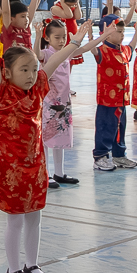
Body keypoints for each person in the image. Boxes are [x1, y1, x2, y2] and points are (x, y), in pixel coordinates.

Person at [0, 21, 92, 273]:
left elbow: (53, 61)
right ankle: (13, 270)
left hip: (36, 163)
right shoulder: (3, 90)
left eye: (33, 69)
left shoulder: (38, 87)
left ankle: (32, 265)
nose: (31, 74)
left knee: (35, 215)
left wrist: (75, 42)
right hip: (11, 166)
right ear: (8, 73)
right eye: (24, 70)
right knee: (15, 219)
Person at [39, 18, 101, 187]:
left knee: (59, 137)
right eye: (57, 37)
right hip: (49, 103)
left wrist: (104, 35)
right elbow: (36, 53)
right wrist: (37, 36)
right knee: (46, 138)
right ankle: (44, 173)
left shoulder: (66, 53)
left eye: (63, 37)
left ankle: (59, 173)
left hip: (63, 103)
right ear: (47, 38)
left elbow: (86, 47)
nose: (61, 41)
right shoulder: (46, 54)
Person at [92, 10, 137, 172]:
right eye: (118, 32)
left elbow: (132, 47)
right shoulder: (102, 51)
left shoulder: (124, 50)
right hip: (107, 101)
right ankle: (100, 156)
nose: (122, 35)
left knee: (120, 127)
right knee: (105, 127)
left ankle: (119, 155)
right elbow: (91, 49)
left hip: (121, 99)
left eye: (123, 31)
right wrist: (93, 36)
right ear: (105, 33)